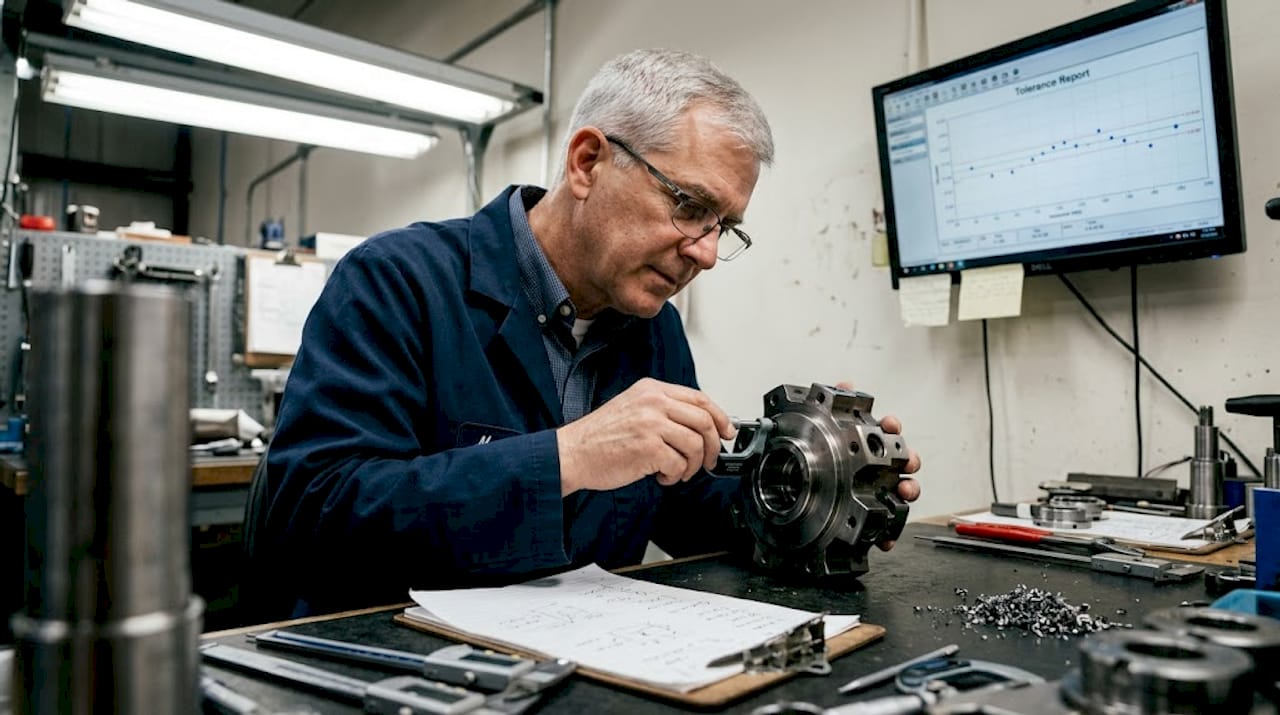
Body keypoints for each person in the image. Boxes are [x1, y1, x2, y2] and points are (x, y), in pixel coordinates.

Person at [255, 49, 921, 618]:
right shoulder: (396, 282)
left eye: (725, 225)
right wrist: (567, 457)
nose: (707, 252)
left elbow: (690, 504)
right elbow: (311, 516)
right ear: (587, 162)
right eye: (689, 205)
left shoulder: (652, 331)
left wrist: (820, 488)